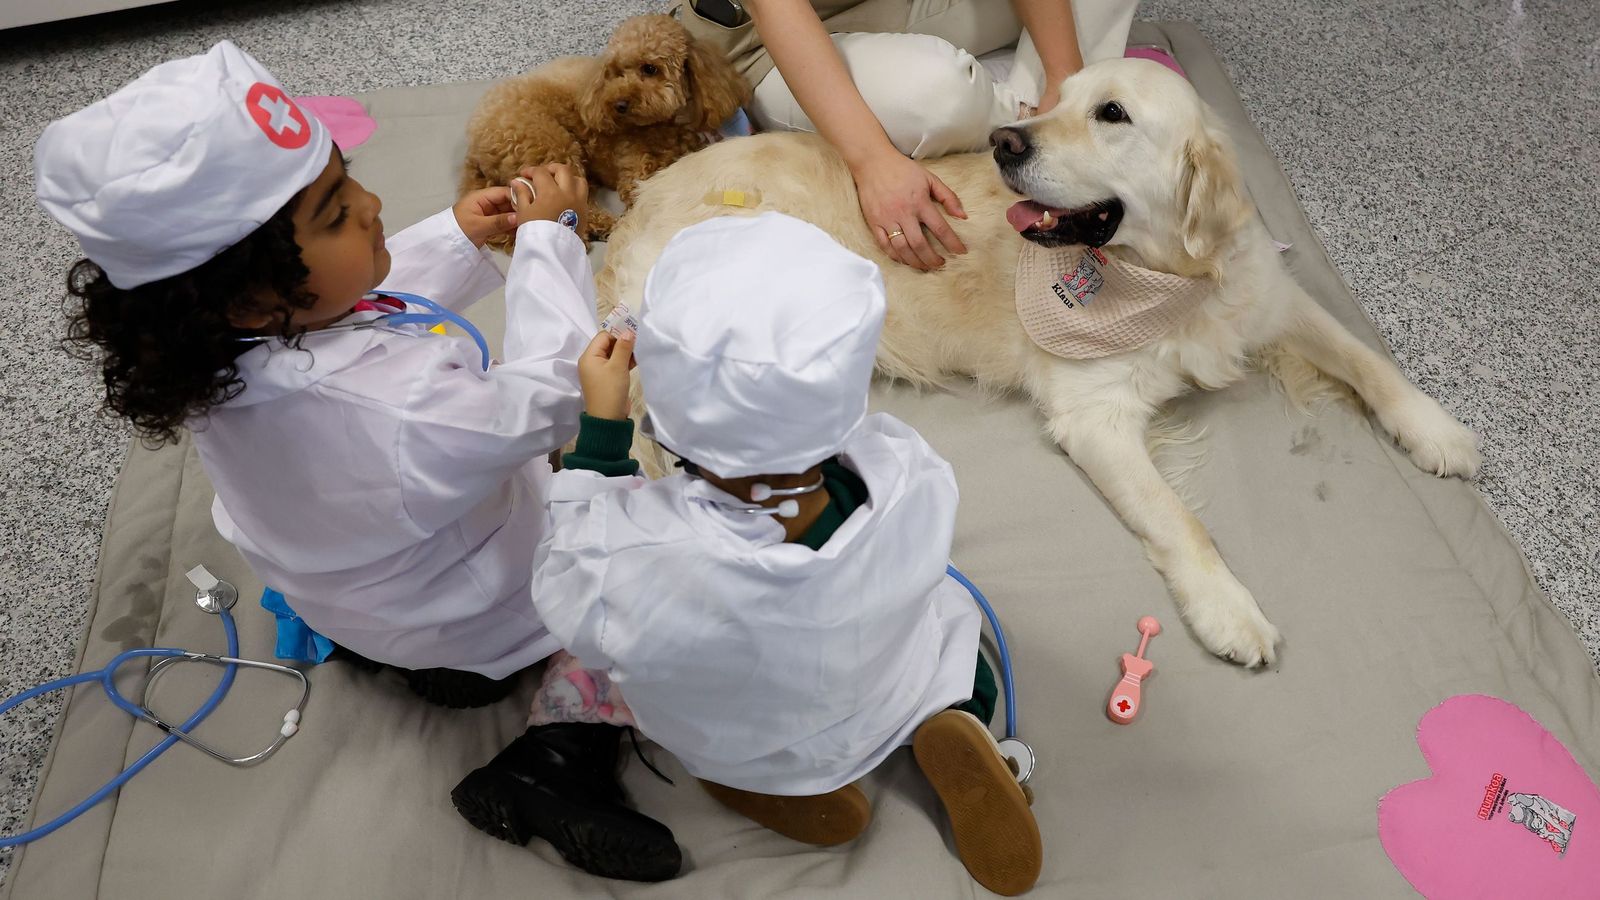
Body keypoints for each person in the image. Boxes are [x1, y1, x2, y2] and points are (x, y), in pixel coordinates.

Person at [35, 41, 680, 882]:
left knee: (405, 562)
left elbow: (355, 304)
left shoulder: (221, 347)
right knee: (646, 576)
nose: (375, 204)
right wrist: (550, 243)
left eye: (350, 181)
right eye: (337, 213)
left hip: (356, 595)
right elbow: (556, 391)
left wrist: (456, 234)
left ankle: (410, 662)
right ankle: (558, 759)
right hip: (476, 605)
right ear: (252, 294)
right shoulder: (397, 407)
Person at [520, 212, 1042, 895]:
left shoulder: (639, 555)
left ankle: (784, 786)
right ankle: (957, 717)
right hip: (888, 676)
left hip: (756, 734)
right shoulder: (905, 468)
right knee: (945, 627)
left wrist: (600, 441)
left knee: (629, 681)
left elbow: (567, 587)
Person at [677, 0, 1137, 271]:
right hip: (765, 35)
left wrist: (1066, 78)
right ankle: (1011, 111)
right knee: (938, 95)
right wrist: (873, 161)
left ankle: (1022, 108)